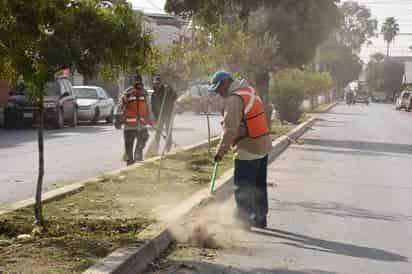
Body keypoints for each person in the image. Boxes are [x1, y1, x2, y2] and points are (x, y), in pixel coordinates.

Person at [210, 71, 272, 229]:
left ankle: (243, 221)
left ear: (225, 83)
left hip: (248, 147)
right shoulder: (249, 90)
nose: (218, 93)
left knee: (243, 186)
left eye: (218, 89)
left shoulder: (234, 99)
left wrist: (219, 152)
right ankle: (260, 218)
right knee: (258, 185)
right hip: (263, 144)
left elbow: (230, 130)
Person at [115, 76, 151, 165]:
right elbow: (149, 107)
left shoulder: (130, 92)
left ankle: (133, 158)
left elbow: (120, 107)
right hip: (137, 124)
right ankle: (135, 156)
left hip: (133, 125)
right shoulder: (141, 93)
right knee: (140, 140)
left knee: (130, 144)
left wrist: (117, 121)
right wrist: (150, 119)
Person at [151, 75, 178, 152]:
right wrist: (155, 118)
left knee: (168, 132)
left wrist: (174, 104)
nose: (156, 85)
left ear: (160, 83)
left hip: (168, 114)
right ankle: (155, 149)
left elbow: (175, 97)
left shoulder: (168, 90)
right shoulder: (154, 94)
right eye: (155, 83)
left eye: (158, 83)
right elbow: (153, 107)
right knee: (158, 133)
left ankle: (168, 149)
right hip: (159, 115)